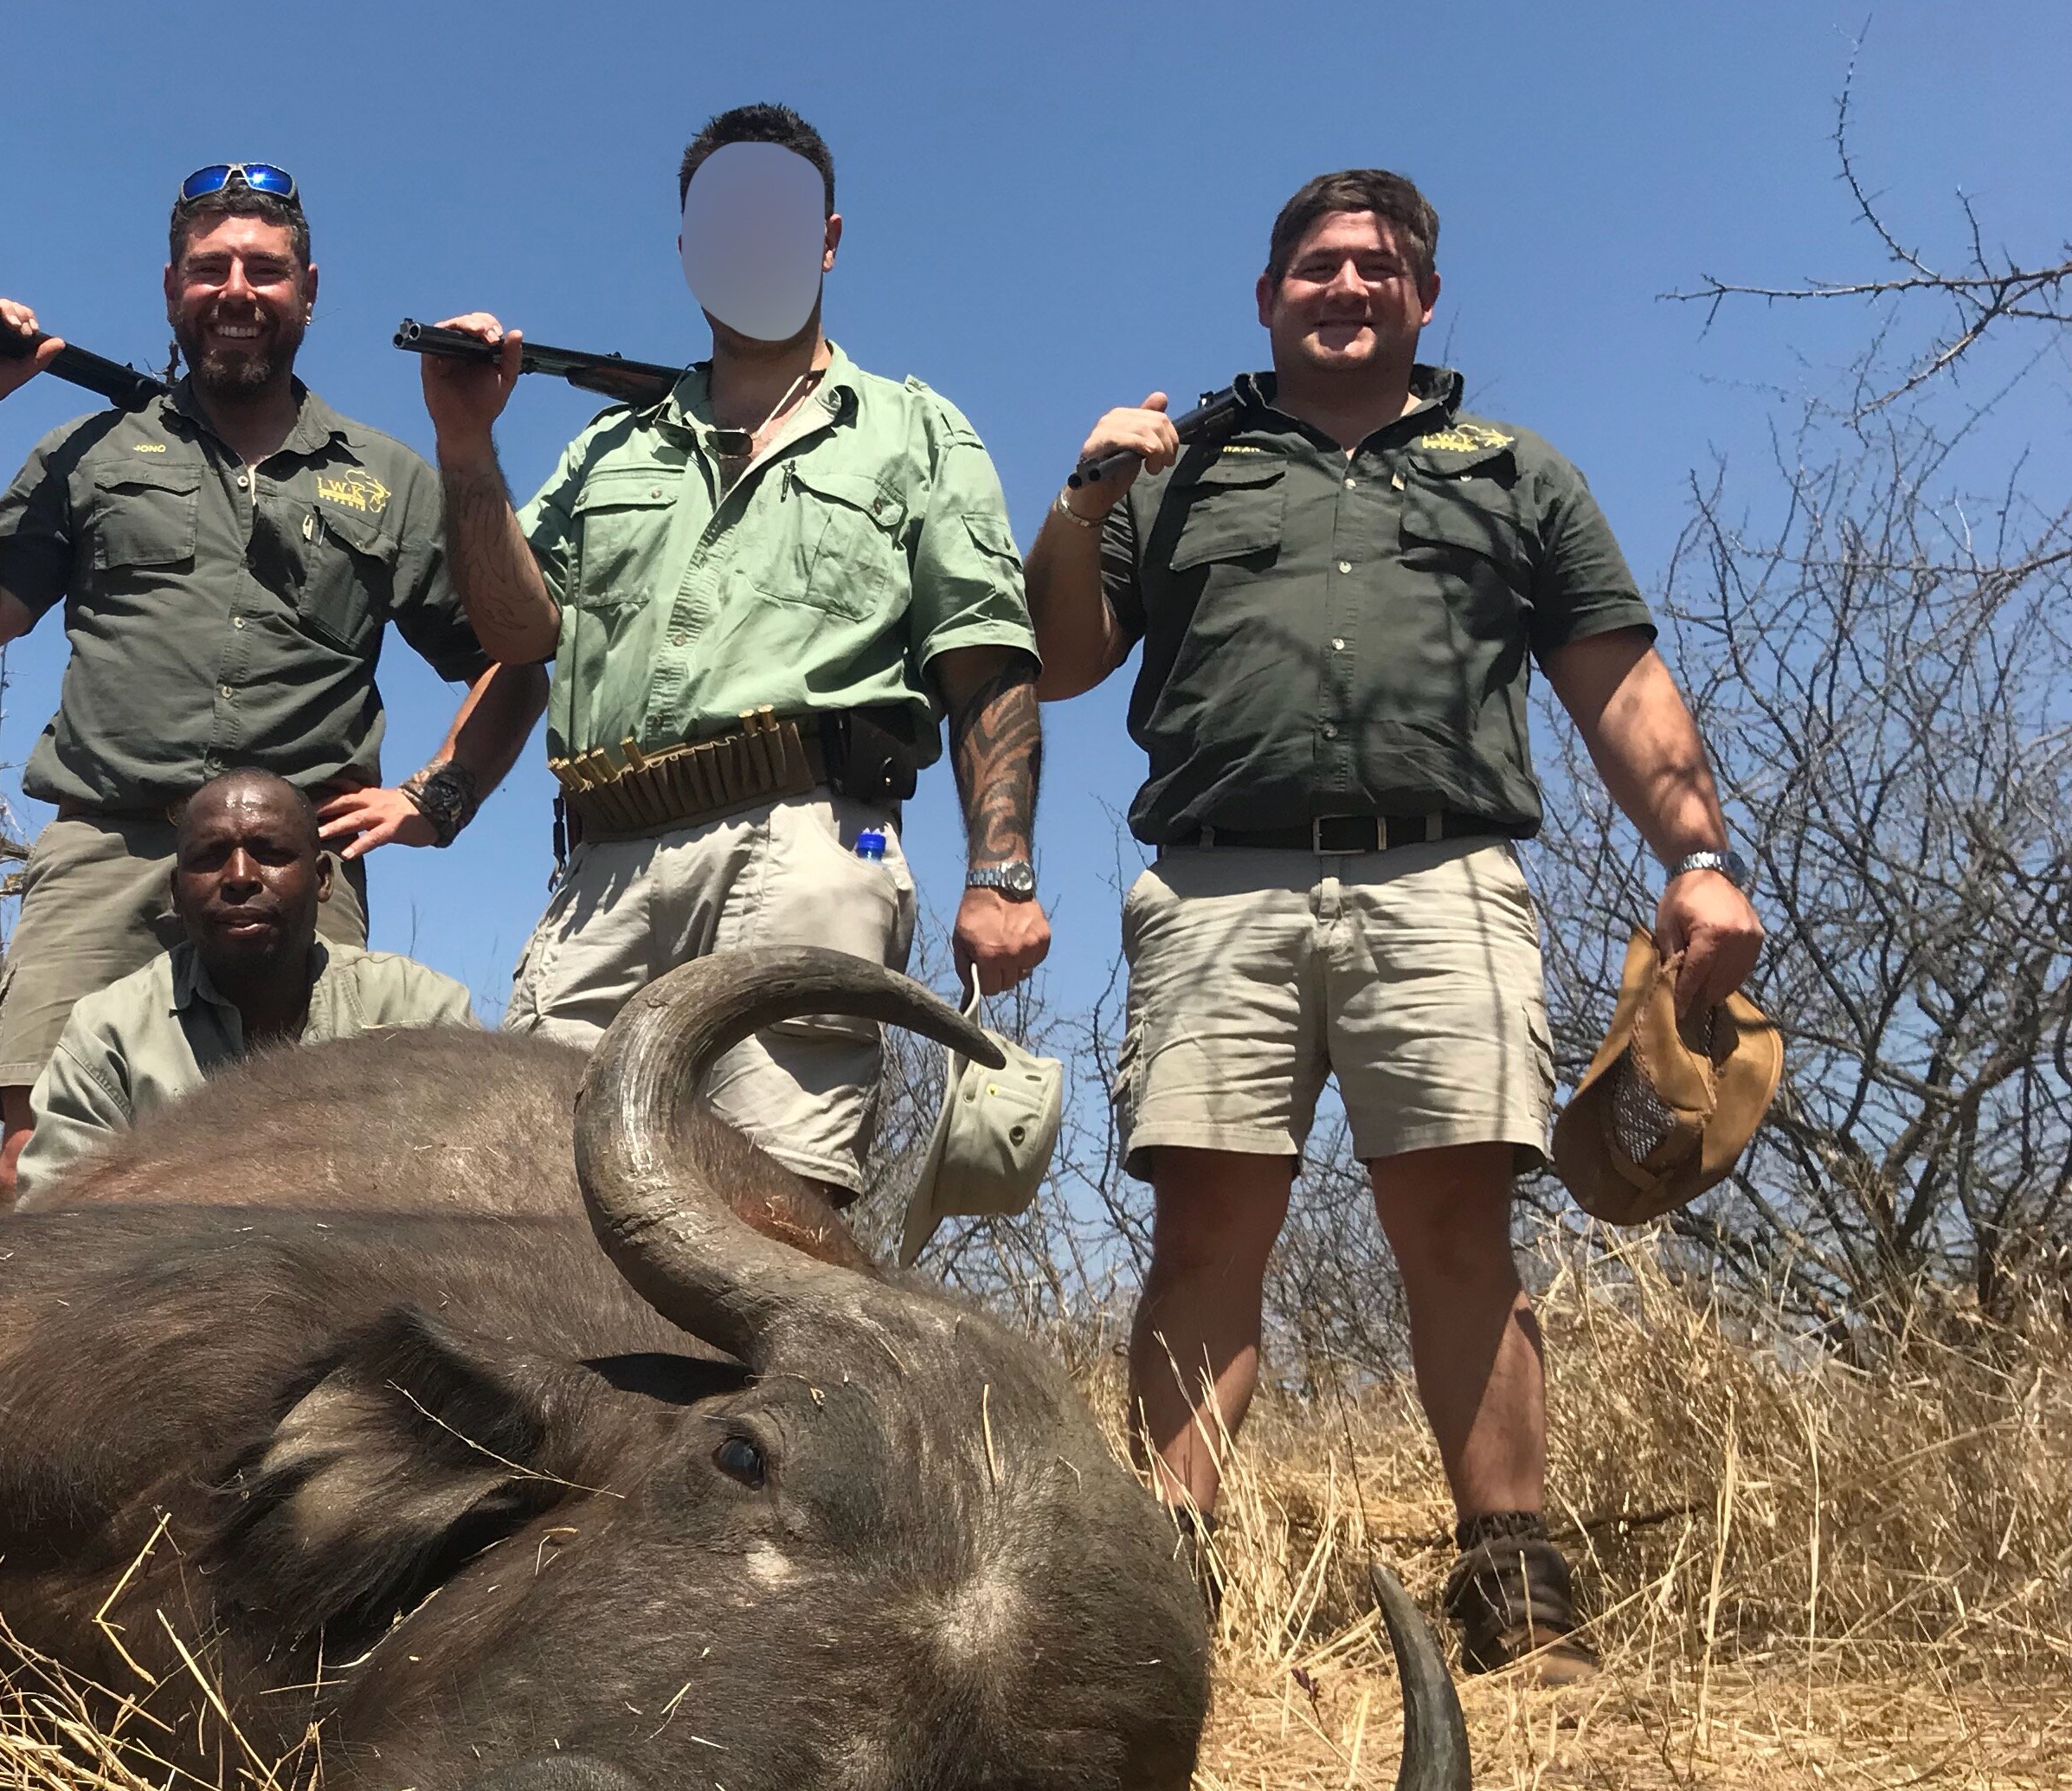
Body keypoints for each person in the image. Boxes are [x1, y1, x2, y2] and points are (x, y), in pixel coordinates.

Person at [1024, 168, 1766, 1679]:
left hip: (1443, 876)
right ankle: (1161, 1598)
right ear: (1265, 296)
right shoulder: (1175, 468)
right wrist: (1083, 488)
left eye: (1376, 266)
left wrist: (1696, 854)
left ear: (1422, 298)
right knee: (1202, 1234)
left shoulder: (1514, 470)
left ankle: (1514, 1588)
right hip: (1216, 882)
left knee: (1457, 1229)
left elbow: (1616, 684)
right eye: (1314, 265)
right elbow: (1053, 658)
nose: (1344, 285)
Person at [414, 102, 1046, 1202]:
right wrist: (467, 446)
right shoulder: (609, 443)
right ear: (687, 253)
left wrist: (1000, 874)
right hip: (604, 860)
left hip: (811, 844)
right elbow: (519, 639)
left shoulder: (916, 430)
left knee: (773, 1208)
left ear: (829, 241)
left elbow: (985, 663)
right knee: (527, 1197)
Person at [0, 161, 544, 1202]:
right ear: (171, 289)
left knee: (313, 1173)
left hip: (301, 866)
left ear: (309, 290)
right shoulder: (89, 448)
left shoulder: (386, 474)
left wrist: (439, 798)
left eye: (266, 270)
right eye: (211, 270)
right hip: (109, 844)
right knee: (43, 1167)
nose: (238, 293)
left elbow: (513, 658)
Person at [18, 769, 473, 1196]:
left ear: (321, 880)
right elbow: (55, 1222)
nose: (239, 877)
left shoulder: (423, 1012)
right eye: (210, 858)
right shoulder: (107, 1035)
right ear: (176, 893)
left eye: (271, 853)